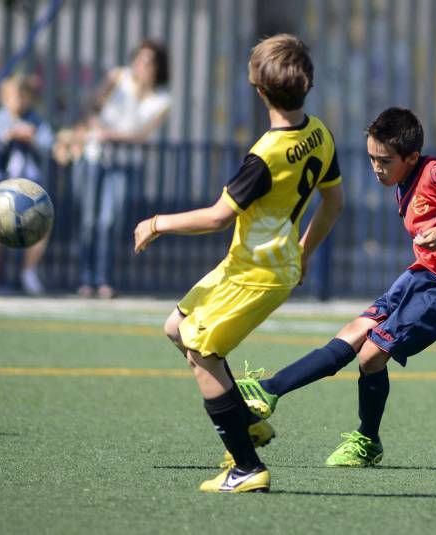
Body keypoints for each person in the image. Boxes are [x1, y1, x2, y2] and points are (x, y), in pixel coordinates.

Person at [235, 106, 436, 468]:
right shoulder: (403, 184)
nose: (376, 168)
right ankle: (269, 390)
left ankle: (367, 441)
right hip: (421, 274)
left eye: (384, 161)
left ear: (411, 157)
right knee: (354, 331)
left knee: (371, 355)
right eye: (371, 158)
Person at [134, 34, 345, 493]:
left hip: (257, 274)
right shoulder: (320, 133)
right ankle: (247, 419)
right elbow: (333, 203)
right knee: (176, 327)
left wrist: (157, 222)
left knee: (202, 353)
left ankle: (247, 467)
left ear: (258, 89)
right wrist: (305, 252)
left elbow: (216, 216)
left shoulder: (265, 155)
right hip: (251, 266)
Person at [56, 39, 171, 299]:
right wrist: (91, 125)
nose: (141, 65)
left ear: (157, 67)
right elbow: (92, 106)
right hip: (94, 156)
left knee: (110, 221)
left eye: (148, 61)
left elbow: (142, 135)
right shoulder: (118, 77)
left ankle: (103, 279)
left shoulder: (162, 99)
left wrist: (111, 135)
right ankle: (86, 278)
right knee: (88, 220)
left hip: (126, 164)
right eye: (139, 59)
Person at [0, 72, 54, 295]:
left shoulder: (37, 121)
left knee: (41, 227)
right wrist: (9, 136)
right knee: (0, 230)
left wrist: (31, 138)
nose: (20, 102)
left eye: (24, 97)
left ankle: (28, 272)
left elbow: (47, 144)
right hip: (3, 186)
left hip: (31, 189)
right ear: (5, 98)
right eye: (15, 96)